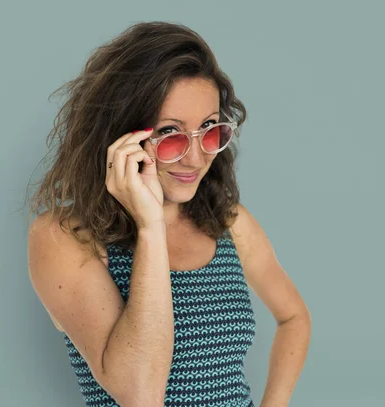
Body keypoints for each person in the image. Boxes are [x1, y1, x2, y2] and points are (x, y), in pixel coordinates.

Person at [26, 21, 311, 407]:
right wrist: (150, 225)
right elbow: (139, 393)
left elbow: (294, 318)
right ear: (122, 139)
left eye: (210, 128)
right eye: (172, 133)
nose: (196, 158)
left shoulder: (227, 221)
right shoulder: (64, 238)